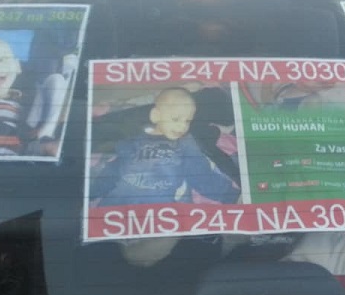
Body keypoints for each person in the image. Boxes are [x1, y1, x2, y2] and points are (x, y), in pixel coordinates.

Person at [90, 87, 240, 206]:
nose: (182, 126)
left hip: (158, 207)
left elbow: (201, 174)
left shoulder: (186, 143)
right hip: (118, 202)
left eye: (187, 121)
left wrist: (231, 195)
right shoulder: (134, 140)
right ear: (156, 116)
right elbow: (114, 169)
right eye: (176, 119)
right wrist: (91, 192)